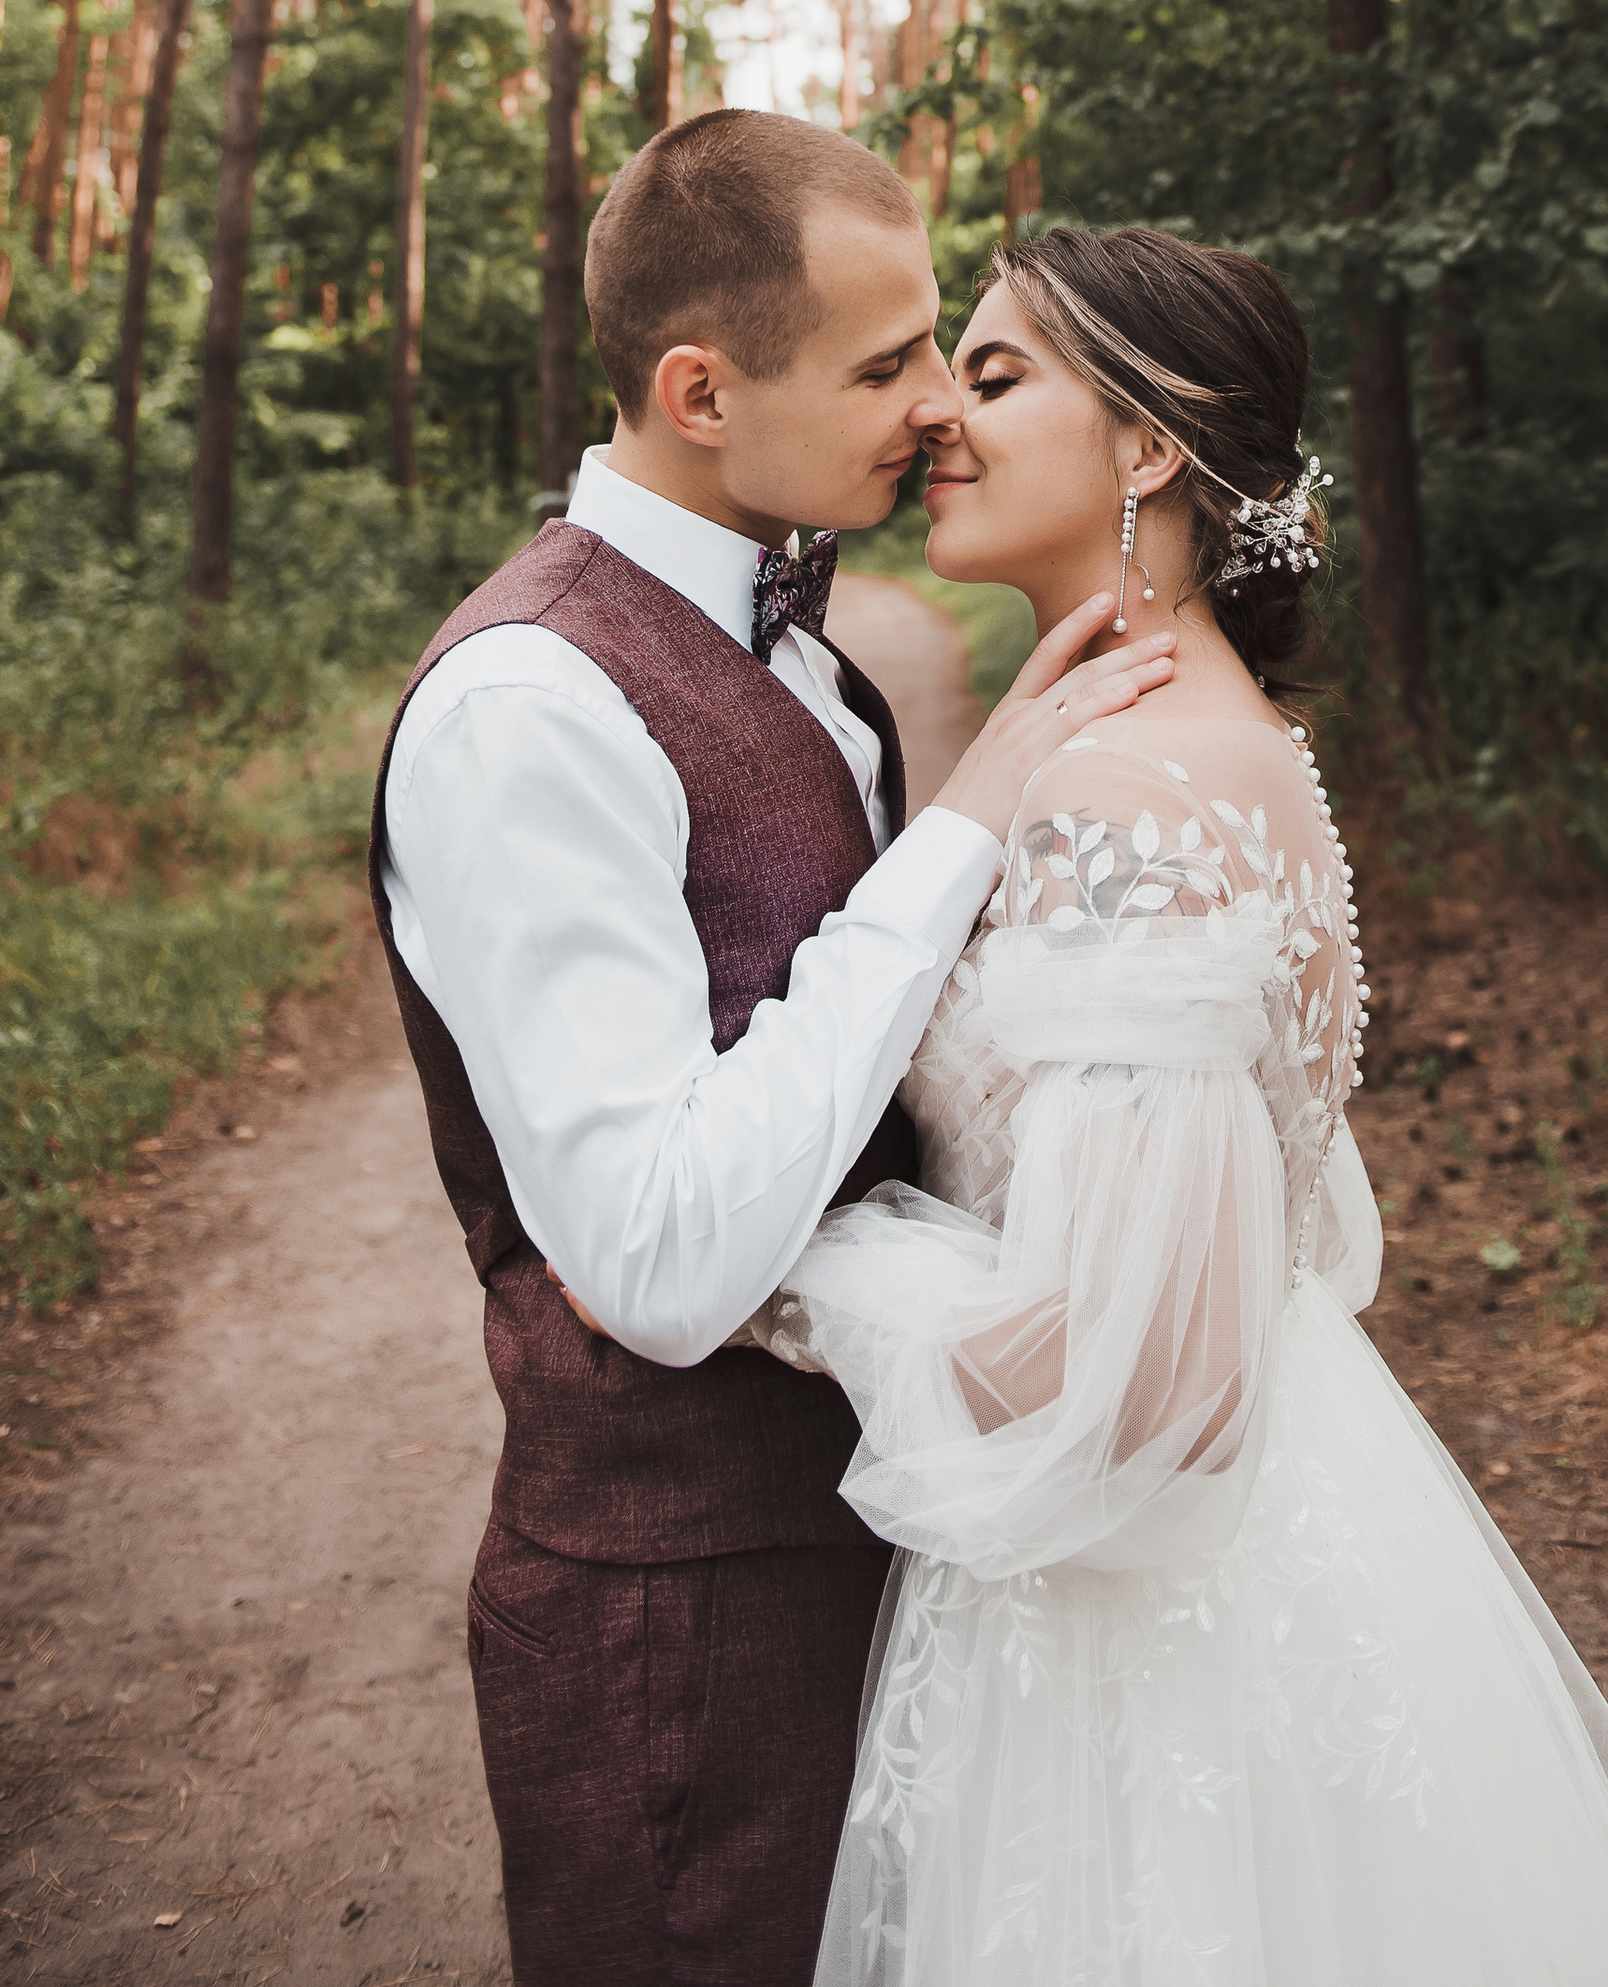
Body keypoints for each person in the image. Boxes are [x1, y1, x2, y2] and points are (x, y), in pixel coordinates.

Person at [756, 222, 1608, 1987]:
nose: (937, 422)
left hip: (1147, 1628)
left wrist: (790, 1282)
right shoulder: (1194, 734)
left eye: (993, 376)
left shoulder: (1138, 786)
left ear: (1150, 445)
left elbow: (1161, 1379)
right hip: (1263, 1540)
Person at [369, 112, 1178, 1987]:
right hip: (686, 1620)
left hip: (893, 1539)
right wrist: (968, 825)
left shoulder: (806, 650)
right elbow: (650, 1258)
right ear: (700, 388)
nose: (933, 406)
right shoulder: (527, 703)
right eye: (885, 361)